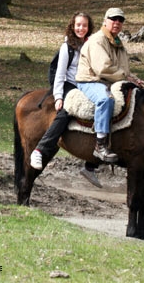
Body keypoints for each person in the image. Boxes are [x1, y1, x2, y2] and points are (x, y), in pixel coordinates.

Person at [29, 12, 103, 188]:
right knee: (65, 112)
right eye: (78, 25)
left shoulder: (91, 45)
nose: (81, 28)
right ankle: (40, 150)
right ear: (72, 26)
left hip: (86, 84)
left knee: (103, 108)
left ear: (89, 27)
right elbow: (60, 74)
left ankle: (91, 164)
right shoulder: (67, 47)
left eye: (84, 25)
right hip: (69, 84)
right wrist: (59, 97)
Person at [75, 7, 144, 163]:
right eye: (113, 19)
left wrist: (134, 79)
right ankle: (100, 145)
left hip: (109, 80)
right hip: (91, 81)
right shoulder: (97, 40)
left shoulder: (118, 43)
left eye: (120, 20)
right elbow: (102, 68)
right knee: (106, 100)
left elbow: (123, 70)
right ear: (105, 21)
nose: (117, 22)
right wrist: (126, 77)